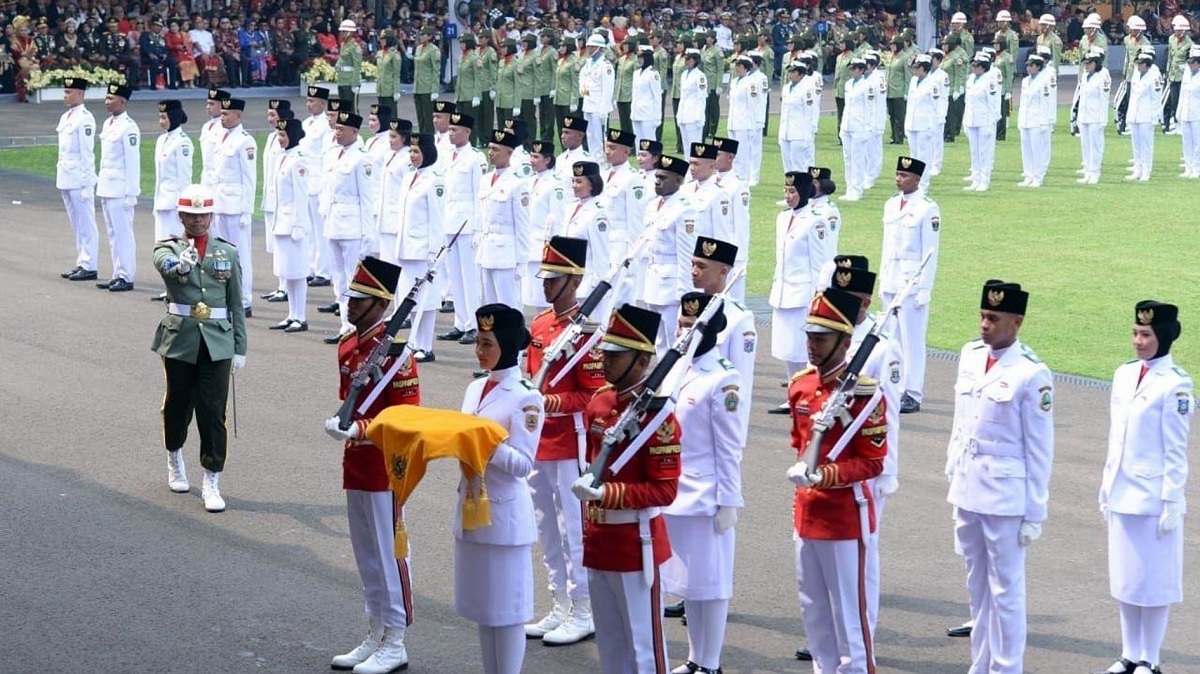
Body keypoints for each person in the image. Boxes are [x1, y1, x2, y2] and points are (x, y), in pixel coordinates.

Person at [945, 280, 1054, 674]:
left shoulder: (1031, 373)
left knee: (1005, 590)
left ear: (1016, 321)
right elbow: (962, 422)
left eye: (993, 318)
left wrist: (1034, 512)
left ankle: (1006, 669)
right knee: (977, 587)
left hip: (1006, 493)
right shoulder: (970, 356)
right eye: (982, 316)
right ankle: (981, 665)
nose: (984, 324)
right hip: (968, 485)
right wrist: (952, 470)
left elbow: (1040, 447)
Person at [321, 256, 419, 674]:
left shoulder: (398, 354)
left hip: (385, 467)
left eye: (359, 299)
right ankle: (376, 629)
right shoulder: (350, 344)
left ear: (381, 304)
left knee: (389, 552)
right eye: (350, 296)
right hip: (356, 463)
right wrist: (345, 425)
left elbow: (407, 416)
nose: (349, 304)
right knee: (366, 554)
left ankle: (395, 638)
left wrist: (360, 429)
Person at [570, 303, 681, 674]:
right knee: (611, 647)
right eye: (606, 352)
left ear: (640, 361)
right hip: (598, 539)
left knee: (644, 649)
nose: (604, 361)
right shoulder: (599, 402)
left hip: (637, 543)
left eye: (616, 356)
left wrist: (608, 495)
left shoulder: (658, 419)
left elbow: (664, 491)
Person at [785, 288, 888, 674]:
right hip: (807, 514)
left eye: (821, 338)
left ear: (845, 342)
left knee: (850, 619)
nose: (811, 345)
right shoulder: (801, 386)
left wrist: (826, 475)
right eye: (810, 336)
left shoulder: (863, 395)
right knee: (813, 609)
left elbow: (873, 462)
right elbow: (799, 444)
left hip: (845, 518)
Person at [1094, 301, 1192, 674]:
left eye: (1146, 335)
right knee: (1126, 579)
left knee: (1154, 582)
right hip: (1121, 490)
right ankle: (1128, 653)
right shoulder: (1123, 374)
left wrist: (1171, 500)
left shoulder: (1176, 384)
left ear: (1163, 337)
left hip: (1153, 497)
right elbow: (1115, 438)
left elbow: (1176, 449)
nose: (1137, 341)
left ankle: (1150, 658)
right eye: (1135, 333)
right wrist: (1106, 486)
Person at [524, 236, 606, 646]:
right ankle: (559, 602)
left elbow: (593, 394)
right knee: (545, 524)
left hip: (569, 441)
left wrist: (546, 401)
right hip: (538, 440)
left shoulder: (586, 333)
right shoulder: (540, 324)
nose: (546, 285)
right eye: (545, 277)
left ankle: (584, 608)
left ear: (574, 281)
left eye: (554, 279)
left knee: (573, 526)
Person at [458, 303, 543, 674]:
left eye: (487, 343)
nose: (479, 350)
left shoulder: (526, 396)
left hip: (504, 513)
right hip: (473, 507)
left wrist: (485, 441)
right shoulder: (475, 387)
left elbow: (524, 464)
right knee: (484, 608)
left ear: (506, 345)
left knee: (507, 611)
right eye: (477, 342)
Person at [152, 183, 247, 513]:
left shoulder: (227, 252)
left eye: (203, 214)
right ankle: (174, 456)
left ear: (211, 215)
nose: (198, 221)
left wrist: (240, 347)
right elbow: (164, 266)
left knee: (213, 411)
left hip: (217, 341)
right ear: (181, 216)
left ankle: (212, 478)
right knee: (178, 404)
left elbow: (236, 304)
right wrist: (182, 266)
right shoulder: (168, 248)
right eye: (191, 215)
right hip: (181, 339)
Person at [662, 291, 743, 674]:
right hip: (673, 491)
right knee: (689, 585)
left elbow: (729, 447)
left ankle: (710, 663)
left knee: (709, 585)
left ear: (714, 331)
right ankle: (695, 659)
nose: (686, 330)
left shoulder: (723, 378)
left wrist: (729, 500)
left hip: (705, 495)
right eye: (682, 323)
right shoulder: (676, 367)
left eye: (694, 325)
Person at [879, 157, 940, 413]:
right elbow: (886, 245)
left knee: (912, 340)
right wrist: (882, 279)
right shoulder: (891, 204)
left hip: (911, 281)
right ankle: (892, 385)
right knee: (891, 337)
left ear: (917, 179)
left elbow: (930, 251)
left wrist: (925, 288)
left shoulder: (928, 208)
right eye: (897, 174)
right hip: (891, 277)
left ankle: (912, 391)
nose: (898, 179)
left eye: (904, 175)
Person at [767, 172, 831, 414]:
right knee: (788, 349)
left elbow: (821, 263)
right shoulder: (782, 218)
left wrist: (819, 296)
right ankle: (793, 396)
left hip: (803, 291)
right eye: (786, 191)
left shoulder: (815, 221)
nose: (788, 196)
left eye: (792, 192)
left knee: (806, 349)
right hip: (783, 290)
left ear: (804, 193)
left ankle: (811, 396)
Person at [321, 110, 378, 344]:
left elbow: (367, 198)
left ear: (354, 132)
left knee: (353, 277)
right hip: (334, 221)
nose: (337, 133)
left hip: (353, 224)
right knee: (339, 277)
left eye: (342, 130)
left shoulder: (362, 158)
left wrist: (368, 233)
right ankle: (345, 324)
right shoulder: (334, 155)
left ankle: (358, 325)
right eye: (336, 129)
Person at [437, 112, 487, 346]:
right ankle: (460, 322)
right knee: (454, 276)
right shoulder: (445, 155)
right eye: (450, 130)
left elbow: (480, 195)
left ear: (467, 132)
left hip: (467, 224)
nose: (451, 133)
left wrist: (478, 228)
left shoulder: (476, 158)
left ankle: (474, 325)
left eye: (455, 130)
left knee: (470, 278)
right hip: (449, 221)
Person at [638, 155, 697, 352]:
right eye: (656, 177)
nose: (657, 181)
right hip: (652, 282)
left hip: (671, 286)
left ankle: (677, 382)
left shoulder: (684, 210)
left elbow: (687, 255)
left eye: (663, 178)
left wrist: (685, 297)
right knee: (659, 342)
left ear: (678, 181)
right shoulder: (653, 205)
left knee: (676, 342)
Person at [395, 133, 445, 361]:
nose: (413, 156)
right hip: (407, 248)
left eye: (417, 152)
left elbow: (437, 219)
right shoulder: (409, 177)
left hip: (424, 249)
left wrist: (435, 253)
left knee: (427, 298)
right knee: (411, 297)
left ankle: (425, 345)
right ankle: (414, 342)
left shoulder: (435, 180)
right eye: (411, 151)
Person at [210, 98, 257, 315]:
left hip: (236, 206)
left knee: (240, 255)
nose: (222, 116)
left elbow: (249, 179)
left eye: (227, 114)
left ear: (238, 116)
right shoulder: (221, 137)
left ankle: (244, 300)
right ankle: (226, 296)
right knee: (222, 255)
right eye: (222, 112)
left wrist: (246, 210)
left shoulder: (245, 142)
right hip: (220, 204)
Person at [264, 118, 312, 333]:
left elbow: (301, 196)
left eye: (283, 136)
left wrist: (299, 225)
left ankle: (300, 317)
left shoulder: (298, 160)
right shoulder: (284, 158)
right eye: (278, 136)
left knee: (298, 272)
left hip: (293, 224)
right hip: (281, 222)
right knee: (286, 272)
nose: (280, 140)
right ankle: (291, 314)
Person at [94, 82, 141, 293]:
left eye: (110, 99)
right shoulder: (108, 124)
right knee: (113, 233)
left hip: (121, 189)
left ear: (122, 102)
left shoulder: (129, 127)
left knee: (123, 233)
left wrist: (132, 193)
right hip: (107, 186)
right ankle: (117, 273)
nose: (106, 102)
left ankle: (126, 275)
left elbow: (133, 163)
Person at [477, 129, 532, 310]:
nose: (491, 153)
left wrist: (522, 261)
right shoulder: (485, 180)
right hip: (486, 252)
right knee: (491, 309)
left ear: (509, 152)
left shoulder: (517, 183)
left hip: (506, 254)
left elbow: (523, 225)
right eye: (490, 148)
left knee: (509, 307)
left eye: (496, 149)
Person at [149, 99, 194, 300]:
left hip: (175, 203)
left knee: (177, 248)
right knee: (163, 247)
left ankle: (180, 288)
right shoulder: (162, 140)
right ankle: (169, 287)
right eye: (160, 117)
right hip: (162, 201)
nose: (161, 121)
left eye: (164, 117)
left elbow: (185, 177)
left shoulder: (182, 142)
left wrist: (183, 207)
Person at [56, 77, 99, 283]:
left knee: (86, 223)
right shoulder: (66, 117)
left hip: (79, 179)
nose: (65, 95)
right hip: (66, 177)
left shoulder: (85, 118)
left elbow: (87, 154)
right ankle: (82, 261)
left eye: (69, 92)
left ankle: (89, 264)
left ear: (80, 94)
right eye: (65, 92)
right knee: (76, 224)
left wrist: (87, 183)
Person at [598, 128, 645, 305]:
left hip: (621, 245)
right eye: (606, 147)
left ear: (626, 151)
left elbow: (635, 221)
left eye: (612, 147)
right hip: (604, 243)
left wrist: (633, 256)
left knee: (621, 298)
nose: (607, 151)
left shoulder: (633, 179)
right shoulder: (604, 174)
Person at [559, 160, 610, 300]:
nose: (574, 186)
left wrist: (598, 287)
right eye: (573, 181)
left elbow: (601, 253)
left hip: (588, 283)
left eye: (579, 182)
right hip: (570, 280)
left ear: (592, 183)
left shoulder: (598, 213)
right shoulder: (571, 208)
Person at [260, 100, 292, 304]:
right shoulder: (272, 137)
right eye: (269, 114)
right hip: (270, 197)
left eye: (273, 115)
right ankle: (281, 284)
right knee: (275, 246)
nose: (270, 119)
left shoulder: (288, 139)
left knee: (284, 246)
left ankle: (286, 286)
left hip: (282, 201)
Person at [962, 52, 1001, 192]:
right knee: (974, 151)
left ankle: (984, 180)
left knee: (985, 151)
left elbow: (994, 104)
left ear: (983, 67)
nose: (974, 68)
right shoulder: (971, 79)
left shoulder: (990, 81)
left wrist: (992, 122)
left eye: (977, 66)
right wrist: (965, 121)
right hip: (972, 119)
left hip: (985, 120)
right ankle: (976, 179)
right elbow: (967, 102)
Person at [1017, 54, 1055, 188]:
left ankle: (1037, 177)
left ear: (1038, 66)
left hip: (1038, 119)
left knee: (1037, 149)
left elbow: (1046, 102)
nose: (1028, 68)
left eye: (1031, 65)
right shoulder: (1025, 81)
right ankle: (1028, 175)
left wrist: (1045, 121)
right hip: (1025, 118)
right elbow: (1023, 102)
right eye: (1027, 65)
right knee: (1026, 149)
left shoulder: (1044, 80)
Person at [1127, 50, 1163, 182]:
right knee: (1136, 144)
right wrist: (1129, 115)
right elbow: (1132, 96)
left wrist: (1155, 117)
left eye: (1141, 64)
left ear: (1147, 65)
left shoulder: (1154, 77)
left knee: (1146, 145)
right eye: (1138, 63)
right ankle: (1138, 169)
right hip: (1135, 114)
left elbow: (1156, 98)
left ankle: (1146, 170)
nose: (1138, 65)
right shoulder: (1136, 74)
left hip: (1147, 115)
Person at [838, 58, 871, 201]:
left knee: (857, 158)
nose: (851, 71)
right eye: (850, 68)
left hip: (860, 125)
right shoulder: (848, 84)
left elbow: (870, 109)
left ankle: (857, 189)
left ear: (861, 70)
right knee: (848, 159)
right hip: (847, 124)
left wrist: (868, 128)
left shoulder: (866, 85)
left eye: (854, 68)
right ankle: (849, 188)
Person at [1077, 50, 1111, 185]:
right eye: (1085, 63)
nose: (1086, 65)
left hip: (1096, 116)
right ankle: (1087, 171)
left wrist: (1102, 118)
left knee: (1096, 146)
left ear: (1096, 63)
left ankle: (1095, 172)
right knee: (1085, 145)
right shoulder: (1085, 75)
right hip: (1084, 115)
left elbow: (1104, 98)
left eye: (1089, 63)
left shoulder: (1104, 75)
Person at [904, 55, 937, 189]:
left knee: (924, 155)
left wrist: (932, 126)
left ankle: (923, 184)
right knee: (913, 155)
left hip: (925, 124)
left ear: (925, 68)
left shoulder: (932, 83)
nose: (915, 70)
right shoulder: (913, 80)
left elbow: (935, 106)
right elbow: (910, 104)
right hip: (912, 122)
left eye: (918, 68)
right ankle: (914, 183)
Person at [578, 34, 614, 155]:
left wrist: (604, 109)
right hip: (588, 103)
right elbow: (582, 78)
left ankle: (601, 160)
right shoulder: (588, 63)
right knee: (590, 135)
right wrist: (583, 90)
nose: (589, 49)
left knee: (599, 137)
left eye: (592, 47)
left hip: (599, 106)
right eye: (588, 46)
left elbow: (608, 89)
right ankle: (593, 158)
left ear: (599, 48)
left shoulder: (605, 65)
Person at [779, 59, 817, 173]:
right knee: (787, 163)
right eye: (789, 71)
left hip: (799, 132)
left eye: (793, 72)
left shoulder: (807, 89)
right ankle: (789, 188)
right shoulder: (786, 88)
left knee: (798, 163)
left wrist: (809, 133)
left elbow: (810, 112)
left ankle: (801, 189)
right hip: (785, 131)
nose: (790, 74)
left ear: (801, 74)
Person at [1164, 17, 1194, 134]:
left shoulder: (1189, 43)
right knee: (1172, 99)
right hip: (1173, 74)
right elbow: (1170, 57)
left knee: (1181, 100)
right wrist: (1167, 71)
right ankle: (1173, 122)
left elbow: (1190, 61)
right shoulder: (1171, 39)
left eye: (1180, 30)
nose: (1177, 32)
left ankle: (1180, 124)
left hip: (1183, 75)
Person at [631, 46, 664, 150]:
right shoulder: (636, 73)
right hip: (636, 113)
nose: (639, 59)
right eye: (638, 56)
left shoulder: (653, 74)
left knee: (648, 143)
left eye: (642, 57)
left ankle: (651, 166)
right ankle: (641, 165)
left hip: (648, 114)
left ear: (648, 58)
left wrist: (658, 117)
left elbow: (657, 96)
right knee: (638, 143)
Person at [675, 48, 706, 153]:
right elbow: (683, 97)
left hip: (694, 116)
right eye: (685, 58)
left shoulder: (700, 76)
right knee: (686, 145)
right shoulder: (684, 75)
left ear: (695, 60)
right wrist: (679, 114)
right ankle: (688, 168)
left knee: (695, 146)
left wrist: (699, 117)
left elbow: (701, 98)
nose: (686, 61)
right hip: (684, 114)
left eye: (689, 59)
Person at [413, 27, 441, 134]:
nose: (421, 36)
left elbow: (436, 71)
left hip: (427, 86)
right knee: (420, 115)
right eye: (420, 34)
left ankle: (430, 136)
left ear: (429, 36)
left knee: (428, 115)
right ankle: (422, 135)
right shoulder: (419, 48)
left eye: (423, 34)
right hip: (418, 86)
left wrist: (435, 89)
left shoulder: (434, 50)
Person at [1180, 48, 1200, 179]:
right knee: (1187, 141)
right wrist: (1179, 111)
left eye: (1193, 63)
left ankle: (1197, 168)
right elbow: (1182, 93)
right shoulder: (1187, 74)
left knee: (1198, 142)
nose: (1190, 65)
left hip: (1197, 113)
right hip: (1186, 111)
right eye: (1189, 62)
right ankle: (1188, 167)